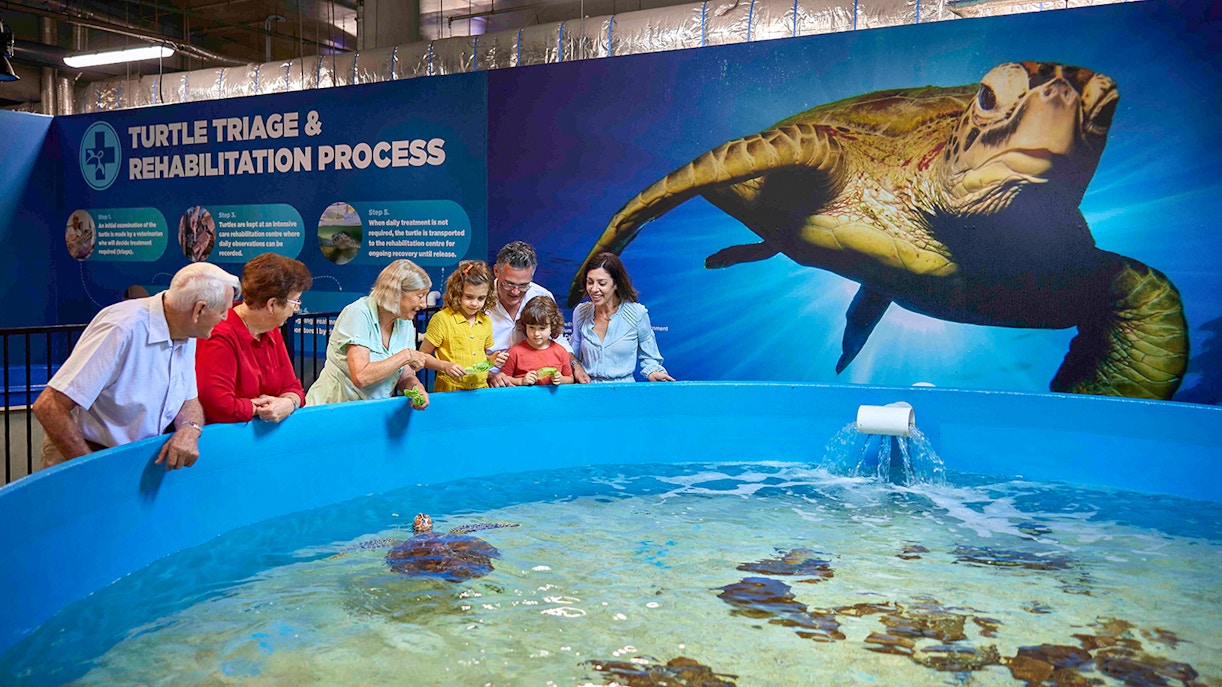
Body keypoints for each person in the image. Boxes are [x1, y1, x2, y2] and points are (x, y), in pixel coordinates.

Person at [32, 263, 241, 470]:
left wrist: (190, 429)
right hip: (86, 454)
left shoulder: (187, 330)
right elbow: (50, 405)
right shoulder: (122, 328)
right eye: (223, 311)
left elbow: (188, 400)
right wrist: (90, 468)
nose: (224, 318)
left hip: (132, 460)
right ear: (199, 310)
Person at [195, 253, 313, 424]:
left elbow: (293, 387)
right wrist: (260, 409)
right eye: (295, 302)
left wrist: (288, 404)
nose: (296, 309)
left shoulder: (271, 330)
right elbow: (218, 406)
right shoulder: (220, 335)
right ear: (271, 304)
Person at [305, 259, 431, 407]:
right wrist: (406, 355)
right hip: (333, 409)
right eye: (420, 296)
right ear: (397, 293)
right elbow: (361, 377)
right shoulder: (358, 313)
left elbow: (406, 376)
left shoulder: (405, 322)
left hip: (370, 412)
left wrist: (417, 388)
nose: (425, 304)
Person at [571, 253, 675, 384]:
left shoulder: (637, 313)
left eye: (602, 283)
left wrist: (653, 372)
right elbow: (571, 352)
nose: (594, 289)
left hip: (624, 392)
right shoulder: (581, 312)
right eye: (590, 282)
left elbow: (650, 357)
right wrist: (576, 366)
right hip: (587, 392)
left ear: (616, 284)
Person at [486, 241, 574, 387]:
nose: (515, 292)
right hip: (489, 384)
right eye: (508, 284)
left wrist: (574, 364)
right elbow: (469, 355)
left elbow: (557, 339)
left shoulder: (542, 296)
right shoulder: (480, 301)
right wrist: (489, 375)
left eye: (523, 285)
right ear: (496, 271)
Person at [419, 260, 505, 392]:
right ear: (457, 292)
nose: (474, 303)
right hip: (450, 390)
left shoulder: (486, 321)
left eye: (481, 298)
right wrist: (444, 366)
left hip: (480, 390)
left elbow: (476, 357)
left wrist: (490, 361)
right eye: (469, 297)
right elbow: (422, 356)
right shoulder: (442, 319)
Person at [500, 296, 575, 386]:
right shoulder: (515, 352)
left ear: (552, 326)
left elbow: (570, 379)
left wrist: (561, 379)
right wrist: (521, 381)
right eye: (531, 327)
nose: (536, 333)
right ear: (525, 325)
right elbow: (504, 378)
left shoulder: (560, 351)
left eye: (542, 328)